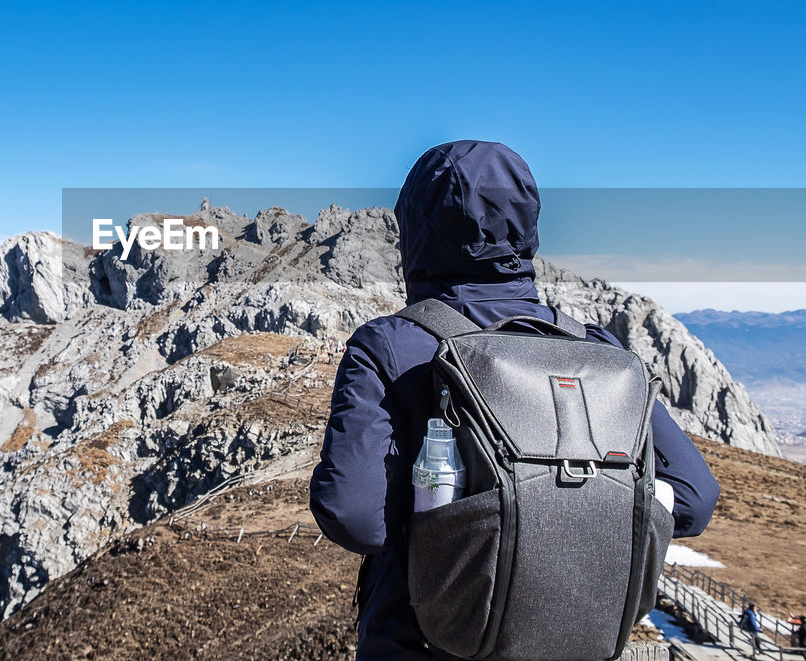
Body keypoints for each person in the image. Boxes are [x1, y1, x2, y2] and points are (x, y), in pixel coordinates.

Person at [309, 140, 722, 660]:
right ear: (529, 222)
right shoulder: (597, 351)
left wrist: (458, 517)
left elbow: (355, 518)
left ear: (414, 229)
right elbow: (694, 495)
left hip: (424, 643)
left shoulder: (390, 345)